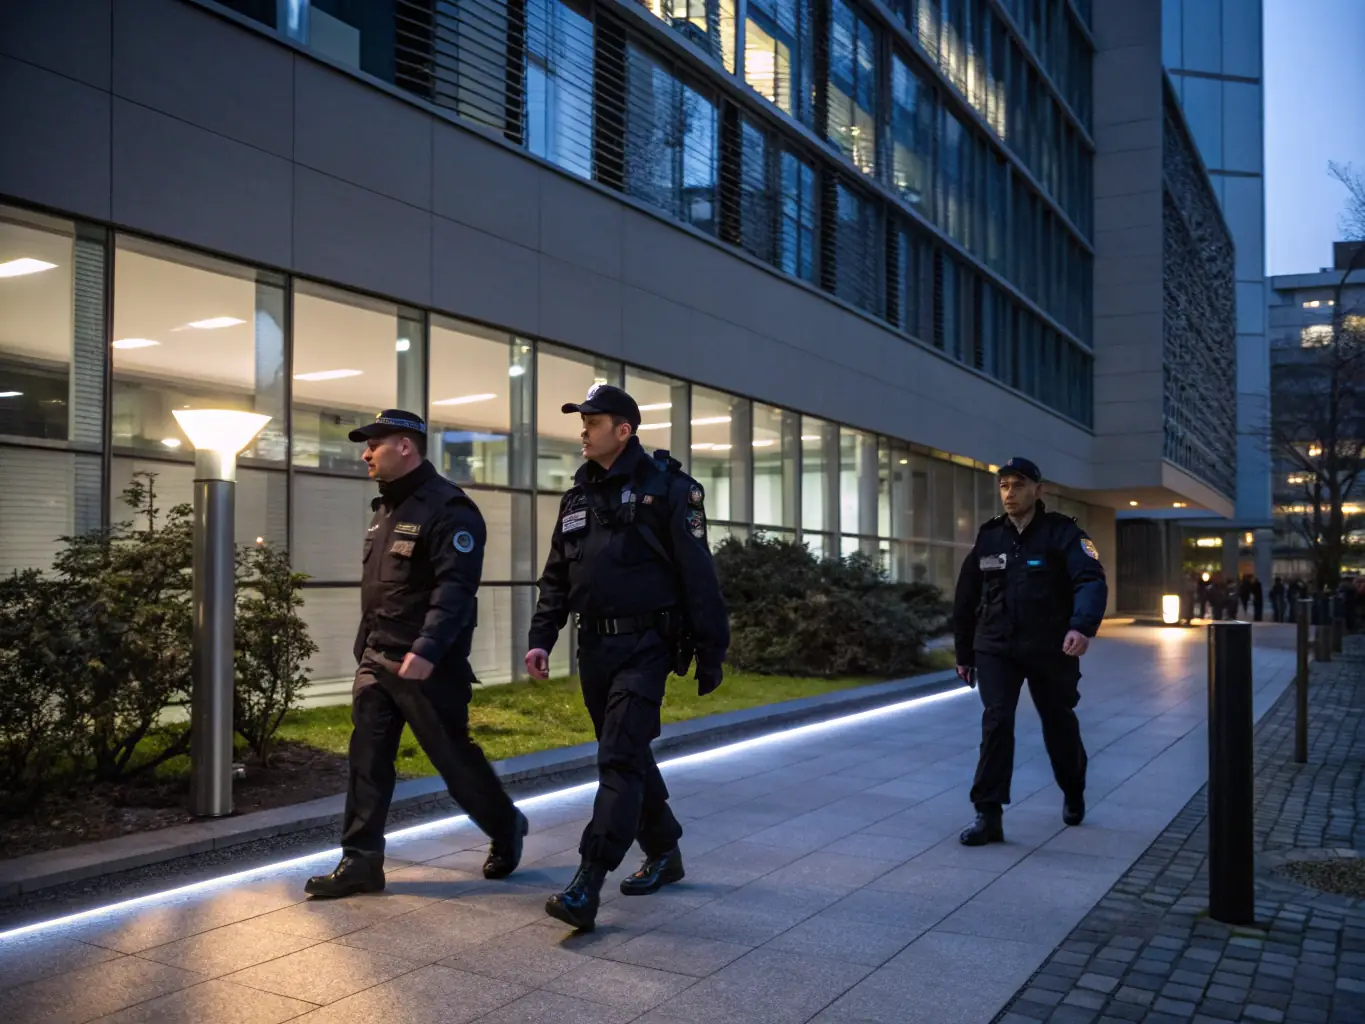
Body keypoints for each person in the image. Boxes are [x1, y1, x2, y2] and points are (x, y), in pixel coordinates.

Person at [525, 384, 730, 931]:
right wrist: (541, 636)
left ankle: (587, 883)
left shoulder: (668, 491)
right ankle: (665, 851)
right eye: (582, 421)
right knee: (629, 754)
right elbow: (557, 578)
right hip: (594, 646)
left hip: (646, 645)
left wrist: (712, 652)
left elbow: (698, 576)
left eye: (593, 422)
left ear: (624, 430)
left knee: (617, 757)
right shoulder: (576, 498)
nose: (584, 430)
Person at [305, 410, 527, 898]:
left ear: (405, 446)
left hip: (429, 666)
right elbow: (382, 588)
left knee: (454, 763)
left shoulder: (450, 509)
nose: (365, 453)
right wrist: (365, 648)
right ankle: (360, 861)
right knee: (368, 759)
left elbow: (455, 588)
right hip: (378, 660)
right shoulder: (384, 509)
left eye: (374, 444)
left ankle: (506, 825)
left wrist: (426, 649)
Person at [951, 457, 1108, 846]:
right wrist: (963, 652)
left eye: (1018, 485)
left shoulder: (1064, 534)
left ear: (1038, 490)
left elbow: (1090, 579)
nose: (1009, 493)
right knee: (997, 720)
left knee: (1057, 720)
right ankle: (988, 814)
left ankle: (1073, 788)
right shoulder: (990, 537)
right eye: (1003, 485)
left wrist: (1082, 626)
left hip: (1049, 646)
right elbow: (966, 595)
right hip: (996, 645)